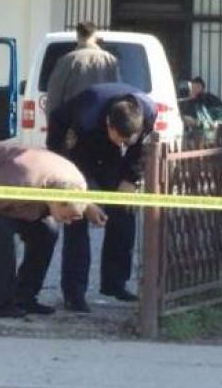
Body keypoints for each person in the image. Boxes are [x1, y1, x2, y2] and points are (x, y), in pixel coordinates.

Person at [47, 82, 157, 312]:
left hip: (111, 159)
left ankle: (115, 283)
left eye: (127, 141)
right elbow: (62, 132)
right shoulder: (86, 116)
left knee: (124, 213)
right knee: (77, 217)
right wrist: (86, 199)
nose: (124, 145)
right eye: (120, 139)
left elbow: (139, 150)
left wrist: (130, 179)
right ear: (108, 123)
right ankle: (74, 294)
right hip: (78, 154)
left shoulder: (148, 112)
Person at [0, 144, 107, 318]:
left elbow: (74, 197)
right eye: (67, 217)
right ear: (55, 200)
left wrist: (88, 206)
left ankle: (24, 297)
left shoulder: (78, 184)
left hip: (31, 180)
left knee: (48, 232)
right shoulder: (20, 183)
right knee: (3, 240)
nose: (69, 222)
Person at [46, 21, 119, 115]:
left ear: (78, 36)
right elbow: (117, 93)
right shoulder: (110, 60)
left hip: (74, 119)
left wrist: (53, 121)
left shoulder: (66, 61)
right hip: (102, 120)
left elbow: (54, 96)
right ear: (95, 35)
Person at [179, 76, 222, 144]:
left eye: (195, 87)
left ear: (200, 87)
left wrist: (216, 123)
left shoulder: (210, 100)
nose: (192, 90)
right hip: (193, 139)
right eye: (192, 88)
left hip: (209, 137)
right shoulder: (189, 102)